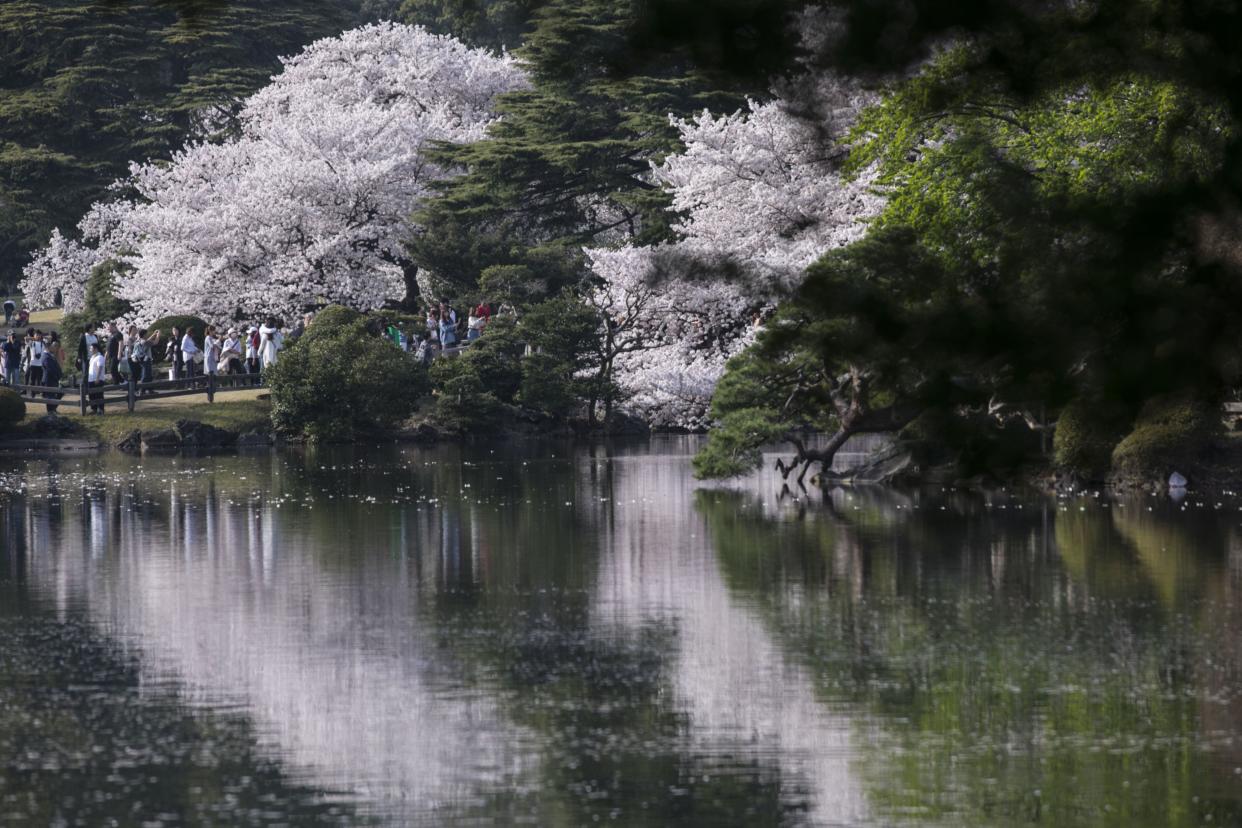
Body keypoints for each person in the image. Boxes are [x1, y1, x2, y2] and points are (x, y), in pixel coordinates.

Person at [41, 345, 62, 413]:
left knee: (56, 394)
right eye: (52, 347)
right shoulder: (46, 357)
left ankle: (53, 409)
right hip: (49, 379)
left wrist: (60, 375)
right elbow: (50, 369)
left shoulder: (50, 355)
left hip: (54, 379)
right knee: (50, 396)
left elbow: (56, 366)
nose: (53, 348)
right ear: (48, 347)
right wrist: (56, 376)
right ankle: (50, 411)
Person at [87, 341, 106, 413]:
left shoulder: (100, 357)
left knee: (99, 395)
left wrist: (97, 378)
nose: (90, 349)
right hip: (91, 379)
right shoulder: (92, 357)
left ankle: (101, 409)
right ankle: (94, 409)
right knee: (92, 395)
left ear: (95, 349)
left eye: (91, 348)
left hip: (98, 379)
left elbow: (100, 367)